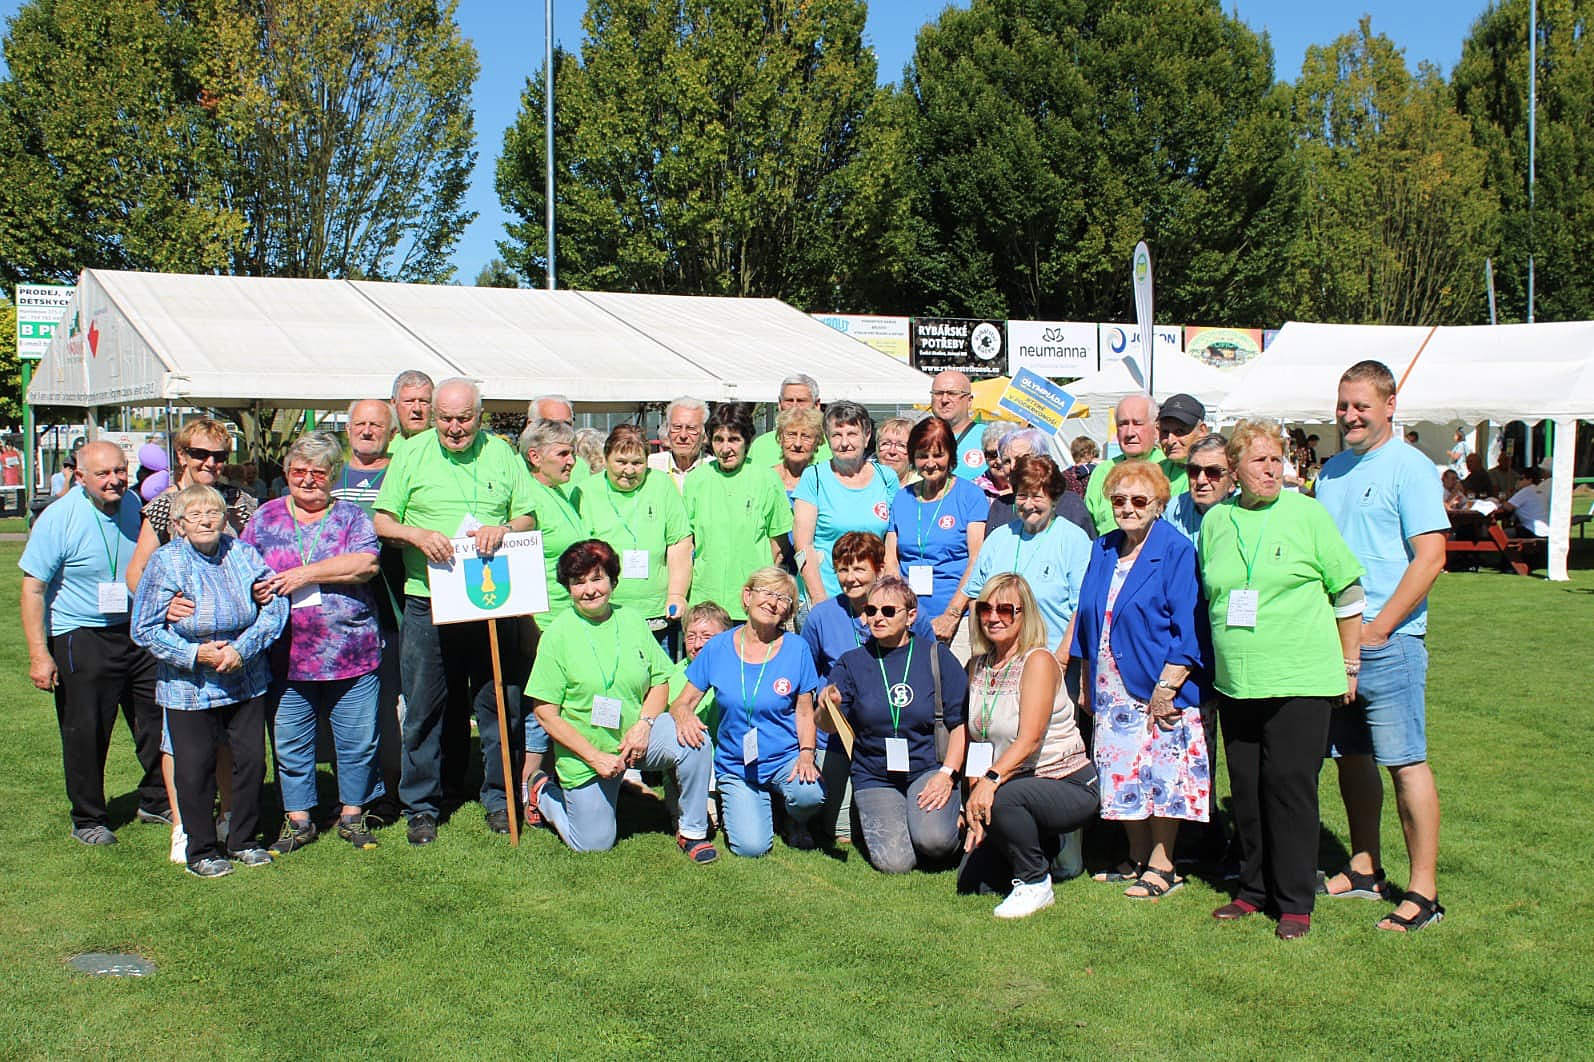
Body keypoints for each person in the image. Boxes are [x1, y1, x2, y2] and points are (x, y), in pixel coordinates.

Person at [1198, 420, 1365, 940]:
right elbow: (1212, 591)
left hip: (1300, 677)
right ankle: (1252, 889)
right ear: (1234, 469)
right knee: (1246, 790)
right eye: (1260, 461)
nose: (1271, 470)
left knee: (1289, 788)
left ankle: (1294, 901)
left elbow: (1349, 591)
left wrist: (1350, 662)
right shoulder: (1216, 521)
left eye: (1277, 460)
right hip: (1237, 680)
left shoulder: (1307, 514)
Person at [1315, 360, 1452, 933]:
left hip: (1389, 643)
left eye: (1361, 406)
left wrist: (1379, 628)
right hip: (1334, 644)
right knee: (1350, 758)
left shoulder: (1410, 467)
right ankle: (1364, 868)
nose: (1349, 416)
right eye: (1343, 405)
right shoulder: (1330, 472)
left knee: (1405, 763)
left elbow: (1432, 556)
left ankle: (1424, 892)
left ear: (1390, 405)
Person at [372, 378, 537, 846]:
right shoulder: (411, 452)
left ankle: (500, 799)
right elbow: (383, 520)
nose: (454, 428)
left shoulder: (501, 452)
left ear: (480, 416)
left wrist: (504, 528)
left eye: (464, 418)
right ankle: (421, 807)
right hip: (427, 599)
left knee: (499, 706)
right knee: (424, 709)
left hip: (491, 600)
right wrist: (417, 535)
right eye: (445, 418)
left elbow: (527, 514)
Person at [523, 540, 718, 861]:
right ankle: (542, 791)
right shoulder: (557, 636)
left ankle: (692, 831)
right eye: (578, 582)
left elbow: (659, 680)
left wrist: (644, 725)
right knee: (592, 843)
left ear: (612, 580)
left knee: (695, 739)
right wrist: (595, 757)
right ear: (568, 587)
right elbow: (545, 713)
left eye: (597, 578)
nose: (589, 589)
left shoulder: (631, 620)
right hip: (587, 752)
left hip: (637, 738)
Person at [131, 484, 289, 877]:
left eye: (213, 513)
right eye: (195, 515)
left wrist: (242, 650)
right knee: (194, 768)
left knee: (251, 762)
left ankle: (243, 840)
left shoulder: (243, 554)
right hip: (188, 686)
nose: (205, 521)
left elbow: (275, 604)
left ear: (224, 518)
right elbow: (144, 628)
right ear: (179, 524)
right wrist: (195, 654)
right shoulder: (165, 562)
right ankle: (200, 851)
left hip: (244, 677)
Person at [241, 433, 386, 855]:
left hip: (351, 649)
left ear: (333, 475)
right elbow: (242, 570)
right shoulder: (265, 517)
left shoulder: (351, 517)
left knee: (357, 740)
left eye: (318, 473)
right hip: (286, 653)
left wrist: (304, 574)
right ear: (287, 473)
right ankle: (298, 819)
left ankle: (353, 813)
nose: (307, 480)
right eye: (298, 471)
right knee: (291, 741)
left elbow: (366, 563)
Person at [1070, 460, 1209, 898]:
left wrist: (1168, 687)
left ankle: (1163, 864)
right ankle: (1135, 856)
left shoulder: (1175, 550)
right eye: (1119, 500)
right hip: (1110, 683)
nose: (1127, 508)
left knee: (1163, 772)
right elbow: (1087, 616)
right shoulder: (1104, 547)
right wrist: (1086, 679)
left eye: (1138, 500)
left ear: (1159, 504)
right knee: (1122, 770)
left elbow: (1189, 626)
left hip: (1157, 681)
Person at [19, 441, 167, 844]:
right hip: (81, 633)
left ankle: (157, 800)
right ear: (80, 477)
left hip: (137, 630)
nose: (114, 480)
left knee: (156, 721)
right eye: (103, 474)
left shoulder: (136, 505)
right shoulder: (58, 517)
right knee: (86, 730)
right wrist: (39, 654)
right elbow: (33, 589)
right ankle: (88, 819)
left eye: (120, 470)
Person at [958, 574, 1098, 918]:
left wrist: (989, 783)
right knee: (973, 882)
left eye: (1006, 610)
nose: (994, 617)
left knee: (1005, 799)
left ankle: (1035, 882)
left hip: (1065, 781)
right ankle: (1049, 846)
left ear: (1025, 615)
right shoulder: (977, 666)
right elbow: (978, 738)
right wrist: (974, 799)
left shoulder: (1038, 661)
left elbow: (1030, 738)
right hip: (1012, 782)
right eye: (986, 609)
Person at [668, 567, 824, 856]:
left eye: (783, 598)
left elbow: (804, 712)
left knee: (809, 795)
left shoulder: (797, 649)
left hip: (783, 758)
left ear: (789, 610)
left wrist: (806, 754)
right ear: (747, 596)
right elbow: (681, 702)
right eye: (766, 592)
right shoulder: (718, 647)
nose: (773, 602)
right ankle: (759, 806)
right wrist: (685, 715)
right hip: (737, 764)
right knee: (751, 847)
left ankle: (793, 818)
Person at [817, 576, 967, 873]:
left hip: (927, 767)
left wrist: (947, 775)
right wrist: (825, 707)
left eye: (888, 611)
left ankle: (951, 822)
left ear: (911, 616)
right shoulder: (852, 662)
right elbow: (828, 726)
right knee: (895, 863)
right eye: (871, 610)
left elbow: (959, 725)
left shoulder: (936, 655)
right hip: (875, 774)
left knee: (935, 842)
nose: (878, 617)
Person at [801, 532, 936, 845]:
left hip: (895, 729)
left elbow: (929, 661)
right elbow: (807, 676)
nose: (850, 578)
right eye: (842, 569)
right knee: (842, 833)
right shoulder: (822, 616)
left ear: (879, 569)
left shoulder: (909, 613)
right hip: (838, 736)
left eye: (859, 569)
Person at [332, 398, 406, 820]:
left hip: (394, 609)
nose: (366, 431)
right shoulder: (329, 475)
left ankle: (392, 790)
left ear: (391, 433)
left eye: (376, 425)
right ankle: (353, 790)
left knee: (393, 707)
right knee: (350, 710)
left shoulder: (402, 472)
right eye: (359, 424)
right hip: (340, 617)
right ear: (348, 430)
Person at [957, 455, 1092, 660]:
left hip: (1051, 658)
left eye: (1037, 497)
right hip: (999, 659)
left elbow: (1081, 607)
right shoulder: (999, 537)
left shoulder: (1074, 540)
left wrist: (1061, 660)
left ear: (1054, 499)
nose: (1028, 505)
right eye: (1022, 496)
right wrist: (981, 651)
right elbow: (975, 596)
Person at [579, 424, 693, 657]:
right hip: (605, 611)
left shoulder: (661, 485)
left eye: (637, 463)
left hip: (656, 614)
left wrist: (677, 594)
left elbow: (679, 542)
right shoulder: (585, 492)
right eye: (621, 462)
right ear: (606, 458)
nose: (629, 470)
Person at [884, 416, 989, 658]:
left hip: (957, 617)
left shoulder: (970, 496)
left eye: (938, 455)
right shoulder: (902, 498)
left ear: (950, 456)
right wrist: (902, 611)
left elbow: (977, 560)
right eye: (923, 455)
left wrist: (951, 615)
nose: (930, 463)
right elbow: (891, 559)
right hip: (908, 617)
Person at [684, 404, 792, 620]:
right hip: (706, 601)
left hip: (753, 603)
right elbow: (687, 544)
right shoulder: (696, 480)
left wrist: (760, 587)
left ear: (747, 441)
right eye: (718, 440)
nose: (725, 449)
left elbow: (778, 544)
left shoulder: (767, 479)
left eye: (734, 439)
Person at [793, 401, 900, 603]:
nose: (844, 443)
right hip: (826, 594)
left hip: (873, 599)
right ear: (827, 438)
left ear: (867, 436)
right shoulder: (814, 478)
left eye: (852, 434)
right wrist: (819, 600)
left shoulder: (887, 478)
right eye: (836, 435)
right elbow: (803, 546)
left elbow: (892, 539)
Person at [1085, 394, 1171, 534]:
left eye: (1138, 424)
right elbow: (1089, 526)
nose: (1130, 433)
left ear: (1156, 429)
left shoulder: (1168, 467)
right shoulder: (1102, 471)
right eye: (1123, 424)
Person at [987, 428, 1093, 538]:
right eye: (1007, 461)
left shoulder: (1070, 504)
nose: (1013, 466)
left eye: (1021, 459)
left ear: (1042, 460)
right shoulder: (999, 507)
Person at [747, 373, 831, 469]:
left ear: (816, 405)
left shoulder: (832, 446)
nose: (794, 407)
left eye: (801, 401)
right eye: (789, 401)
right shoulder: (761, 445)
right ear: (779, 404)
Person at [1164, 434, 1234, 545]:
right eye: (1194, 470)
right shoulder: (1171, 511)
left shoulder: (1245, 512)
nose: (1201, 480)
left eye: (1213, 472)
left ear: (1233, 479)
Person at [929, 370, 987, 481]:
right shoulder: (920, 437)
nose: (944, 400)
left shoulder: (989, 438)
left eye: (953, 393)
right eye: (938, 393)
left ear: (969, 401)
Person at [648, 396, 710, 493]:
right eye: (677, 427)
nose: (683, 435)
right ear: (667, 430)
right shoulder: (651, 466)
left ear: (704, 434)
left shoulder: (714, 468)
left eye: (691, 428)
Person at [1153, 393, 1205, 497]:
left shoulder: (1215, 473)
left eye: (1180, 432)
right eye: (1165, 432)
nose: (1170, 441)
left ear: (1202, 431)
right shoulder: (1153, 474)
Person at [771, 406, 824, 500]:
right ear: (780, 439)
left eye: (806, 436)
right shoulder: (767, 478)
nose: (797, 444)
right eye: (791, 435)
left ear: (817, 442)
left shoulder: (822, 482)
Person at [1497, 467, 1550, 538]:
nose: (1518, 481)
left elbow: (1508, 507)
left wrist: (1501, 501)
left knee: (1501, 535)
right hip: (1545, 530)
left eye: (1521, 479)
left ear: (1530, 480)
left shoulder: (1526, 491)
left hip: (1533, 530)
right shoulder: (1538, 490)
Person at [976, 422, 1017, 502]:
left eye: (1003, 453)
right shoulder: (974, 489)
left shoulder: (1031, 486)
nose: (999, 461)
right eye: (992, 454)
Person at [391, 369, 435, 443]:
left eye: (423, 401)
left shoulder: (445, 444)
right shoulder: (384, 444)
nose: (417, 409)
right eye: (409, 401)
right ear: (394, 402)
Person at [874, 416, 917, 487]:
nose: (892, 451)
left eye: (901, 445)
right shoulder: (864, 482)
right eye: (886, 443)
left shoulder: (922, 486)